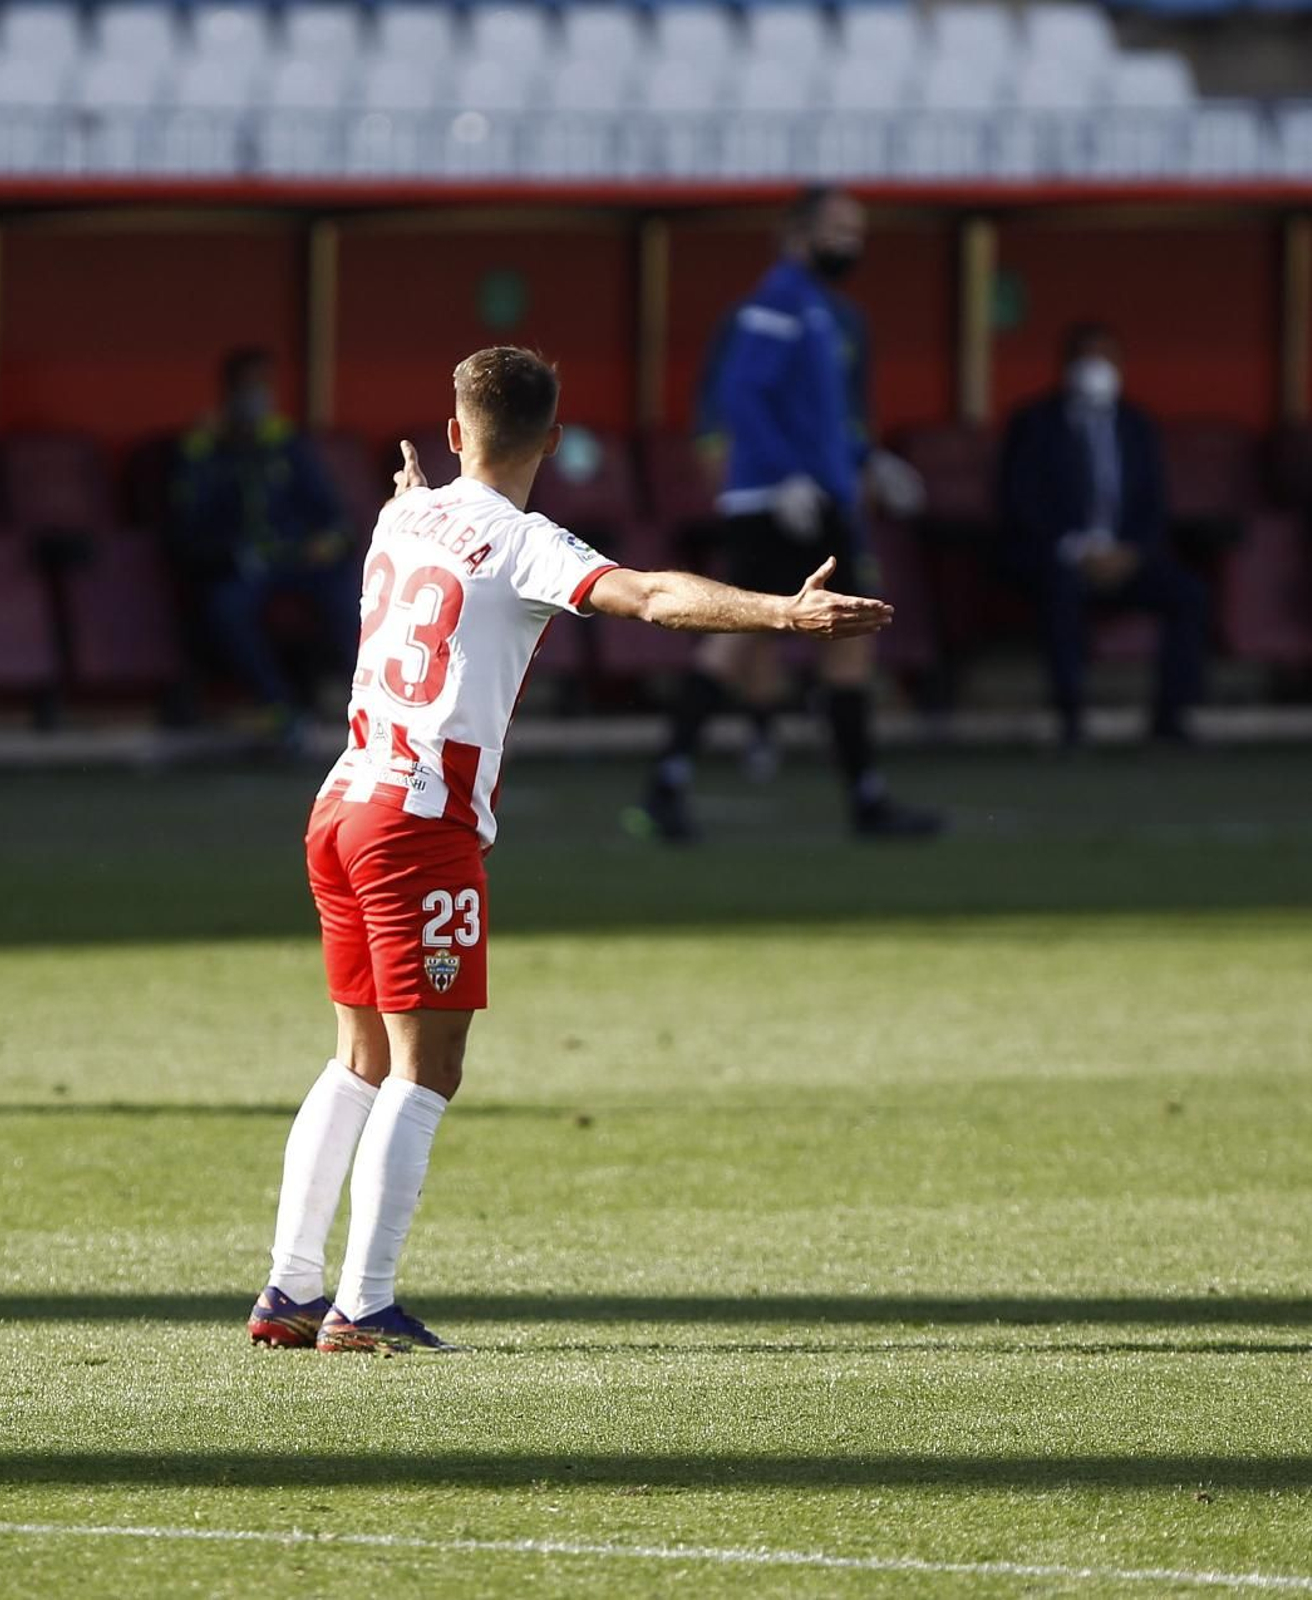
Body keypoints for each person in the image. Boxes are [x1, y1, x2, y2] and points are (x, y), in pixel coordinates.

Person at [247, 346, 894, 1355]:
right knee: (426, 1068)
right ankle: (363, 1305)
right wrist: (784, 613)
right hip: (419, 822)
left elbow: (423, 519)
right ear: (552, 439)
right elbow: (653, 596)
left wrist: (417, 493)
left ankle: (289, 1286)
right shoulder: (525, 543)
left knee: (357, 1057)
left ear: (454, 431)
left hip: (341, 802)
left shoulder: (400, 514)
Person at [638, 186, 941, 841]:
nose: (851, 243)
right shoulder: (778, 302)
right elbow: (742, 394)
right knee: (746, 637)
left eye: (858, 231)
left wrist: (870, 460)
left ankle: (861, 797)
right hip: (780, 503)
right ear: (801, 235)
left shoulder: (824, 312)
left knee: (838, 640)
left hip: (818, 497)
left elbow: (823, 419)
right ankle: (670, 783)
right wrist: (785, 477)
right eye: (839, 229)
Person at [1000, 323, 1208, 747]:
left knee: (1189, 594)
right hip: (1059, 557)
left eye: (1105, 356)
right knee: (1060, 590)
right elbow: (1020, 501)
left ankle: (1171, 720)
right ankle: (1071, 719)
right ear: (1066, 365)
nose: (1096, 366)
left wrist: (1131, 552)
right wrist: (1076, 550)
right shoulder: (1034, 423)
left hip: (1126, 558)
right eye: (1086, 356)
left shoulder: (1138, 425)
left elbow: (1153, 504)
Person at [168, 347, 355, 735]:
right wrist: (224, 553)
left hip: (297, 559)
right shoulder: (204, 447)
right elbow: (189, 523)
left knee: (348, 592)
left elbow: (331, 513)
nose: (256, 397)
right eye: (247, 387)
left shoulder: (286, 443)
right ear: (229, 392)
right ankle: (278, 705)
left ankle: (361, 694)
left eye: (263, 386)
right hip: (240, 564)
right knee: (226, 607)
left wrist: (326, 542)